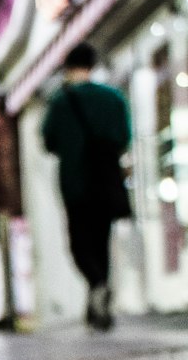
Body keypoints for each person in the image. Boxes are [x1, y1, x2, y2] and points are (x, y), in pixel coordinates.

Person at [40, 41, 132, 330]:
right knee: (102, 241)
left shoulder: (60, 102)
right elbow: (122, 138)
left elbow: (48, 141)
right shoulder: (113, 98)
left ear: (68, 67)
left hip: (75, 181)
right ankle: (98, 305)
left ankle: (97, 285)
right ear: (92, 65)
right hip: (105, 181)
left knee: (80, 244)